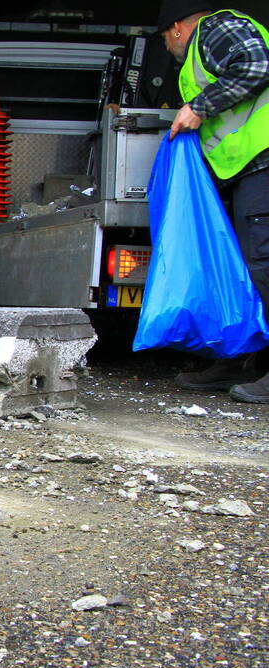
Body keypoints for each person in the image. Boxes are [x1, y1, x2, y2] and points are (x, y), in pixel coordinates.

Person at [159, 1, 269, 403]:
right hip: (247, 168)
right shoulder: (200, 52)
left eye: (165, 42)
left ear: (175, 29)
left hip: (265, 161)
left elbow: (257, 65)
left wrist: (199, 107)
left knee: (264, 262)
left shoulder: (218, 28)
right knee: (241, 267)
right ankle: (240, 358)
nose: (168, 51)